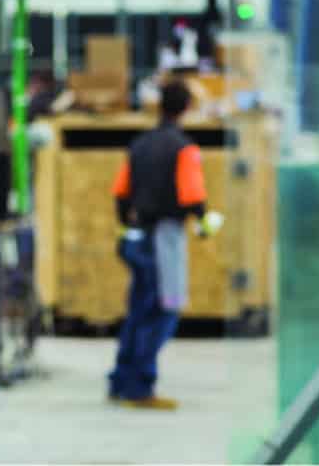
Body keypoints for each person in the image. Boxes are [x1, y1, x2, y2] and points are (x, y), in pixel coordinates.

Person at [107, 79, 221, 409]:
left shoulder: (139, 144)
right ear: (185, 108)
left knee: (138, 311)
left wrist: (126, 226)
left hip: (136, 235)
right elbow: (192, 196)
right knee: (163, 310)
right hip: (163, 238)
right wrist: (204, 223)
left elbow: (120, 192)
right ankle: (140, 387)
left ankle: (120, 380)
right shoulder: (183, 147)